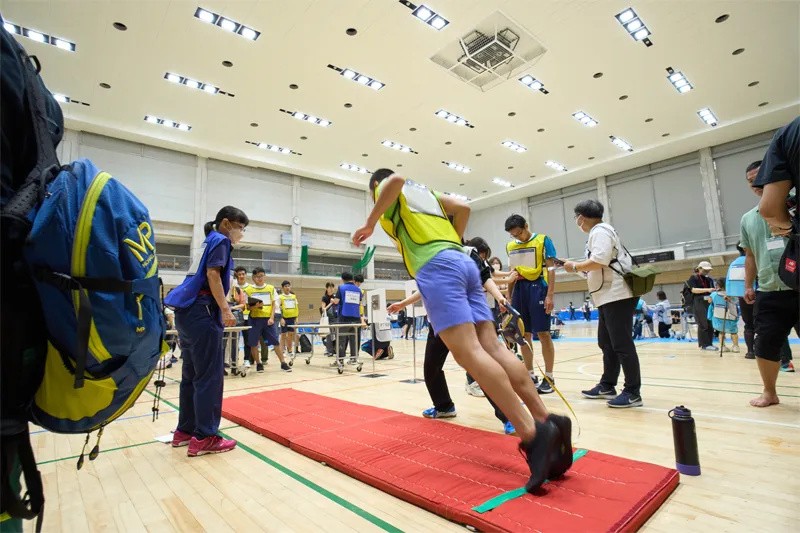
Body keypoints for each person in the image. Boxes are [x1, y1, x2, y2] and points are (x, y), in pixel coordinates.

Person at [353, 169, 571, 493]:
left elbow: (395, 179)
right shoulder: (425, 194)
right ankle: (546, 419)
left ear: (374, 186)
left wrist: (370, 222)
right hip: (464, 263)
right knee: (494, 348)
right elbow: (463, 207)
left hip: (437, 267)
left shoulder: (389, 190)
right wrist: (454, 241)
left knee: (469, 353)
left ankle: (532, 435)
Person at [164, 206, 248, 456]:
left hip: (186, 313)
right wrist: (225, 308)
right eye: (240, 228)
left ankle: (185, 431)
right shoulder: (221, 240)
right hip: (203, 312)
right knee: (210, 376)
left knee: (190, 375)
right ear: (226, 223)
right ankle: (206, 436)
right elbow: (213, 275)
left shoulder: (207, 240)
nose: (241, 234)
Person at [564, 200, 643, 408]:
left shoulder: (600, 231)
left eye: (576, 218)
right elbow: (595, 267)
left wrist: (575, 267)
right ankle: (608, 384)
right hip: (606, 297)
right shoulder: (598, 233)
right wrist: (575, 267)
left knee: (622, 345)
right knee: (607, 344)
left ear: (581, 217)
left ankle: (633, 391)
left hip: (617, 295)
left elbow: (599, 260)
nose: (577, 222)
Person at [742, 160, 798, 407]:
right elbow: (750, 256)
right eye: (749, 180)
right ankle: (769, 392)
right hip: (769, 290)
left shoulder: (795, 204)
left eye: (758, 176)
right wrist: (748, 285)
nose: (755, 183)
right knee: (764, 342)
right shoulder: (747, 219)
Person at [503, 214, 559, 394]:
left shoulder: (543, 240)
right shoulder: (511, 246)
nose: (517, 237)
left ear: (526, 226)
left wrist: (550, 294)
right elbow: (512, 272)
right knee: (523, 335)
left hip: (539, 289)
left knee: (543, 333)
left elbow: (551, 268)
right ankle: (530, 375)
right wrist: (508, 296)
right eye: (513, 235)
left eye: (519, 233)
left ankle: (549, 377)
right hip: (519, 290)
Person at [244, 268, 292, 373]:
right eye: (257, 276)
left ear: (265, 276)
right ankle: (259, 364)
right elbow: (248, 308)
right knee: (253, 343)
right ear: (253, 277)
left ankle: (283, 363)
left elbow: (274, 304)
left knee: (275, 341)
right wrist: (255, 306)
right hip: (254, 320)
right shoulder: (249, 290)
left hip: (268, 320)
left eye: (261, 275)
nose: (259, 278)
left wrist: (271, 318)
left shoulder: (270, 288)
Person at [332, 272, 363, 364]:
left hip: (344, 317)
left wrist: (332, 300)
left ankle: (340, 360)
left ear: (342, 279)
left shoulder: (341, 288)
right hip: (356, 317)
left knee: (341, 338)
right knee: (355, 339)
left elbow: (337, 301)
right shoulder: (358, 290)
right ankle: (354, 358)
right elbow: (360, 303)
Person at [686, 262, 717, 351]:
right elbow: (693, 290)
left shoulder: (709, 279)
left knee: (709, 322)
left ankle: (709, 343)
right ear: (699, 268)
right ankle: (704, 344)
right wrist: (707, 289)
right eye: (705, 270)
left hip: (708, 302)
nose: (707, 271)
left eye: (708, 270)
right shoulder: (694, 278)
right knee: (703, 323)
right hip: (698, 302)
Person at [707, 278, 740, 353]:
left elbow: (709, 301)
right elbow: (737, 301)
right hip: (731, 315)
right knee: (733, 332)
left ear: (718, 285)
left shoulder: (713, 294)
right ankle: (735, 347)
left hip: (718, 316)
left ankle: (723, 346)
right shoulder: (732, 294)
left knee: (721, 332)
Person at [232, 266, 251, 363]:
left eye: (243, 274)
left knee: (247, 339)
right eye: (239, 274)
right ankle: (235, 359)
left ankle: (247, 359)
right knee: (234, 340)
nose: (241, 276)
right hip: (235, 317)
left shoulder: (251, 288)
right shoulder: (233, 288)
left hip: (248, 317)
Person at [278, 281, 299, 356]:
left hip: (292, 318)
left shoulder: (293, 296)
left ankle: (290, 350)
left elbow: (296, 308)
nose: (287, 287)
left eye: (288, 286)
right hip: (284, 318)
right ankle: (282, 351)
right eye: (286, 286)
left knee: (290, 334)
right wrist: (281, 318)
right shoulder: (280, 297)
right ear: (283, 288)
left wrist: (296, 318)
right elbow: (277, 308)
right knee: (283, 335)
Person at [320, 282, 337, 355]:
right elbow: (323, 309)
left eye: (332, 287)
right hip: (329, 318)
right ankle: (329, 350)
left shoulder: (335, 296)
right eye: (329, 287)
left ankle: (335, 349)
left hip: (336, 317)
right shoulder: (325, 297)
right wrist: (331, 303)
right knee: (329, 334)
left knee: (336, 334)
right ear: (326, 288)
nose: (331, 289)